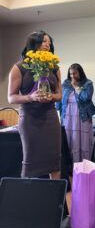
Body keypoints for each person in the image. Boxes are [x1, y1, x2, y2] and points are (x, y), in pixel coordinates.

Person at [8, 30, 62, 179]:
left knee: (54, 160)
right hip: (30, 119)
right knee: (31, 161)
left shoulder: (54, 67)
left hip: (50, 118)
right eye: (44, 41)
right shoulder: (19, 67)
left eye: (49, 42)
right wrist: (31, 97)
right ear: (34, 43)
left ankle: (55, 198)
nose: (48, 44)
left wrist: (50, 96)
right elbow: (11, 98)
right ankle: (31, 198)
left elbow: (59, 95)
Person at [56, 63, 95, 163]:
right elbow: (60, 100)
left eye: (74, 73)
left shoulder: (88, 84)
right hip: (67, 117)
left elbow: (86, 98)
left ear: (80, 73)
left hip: (82, 117)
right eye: (70, 74)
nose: (72, 76)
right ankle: (70, 166)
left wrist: (76, 87)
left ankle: (84, 164)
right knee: (69, 140)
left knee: (83, 142)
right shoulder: (66, 83)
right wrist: (57, 110)